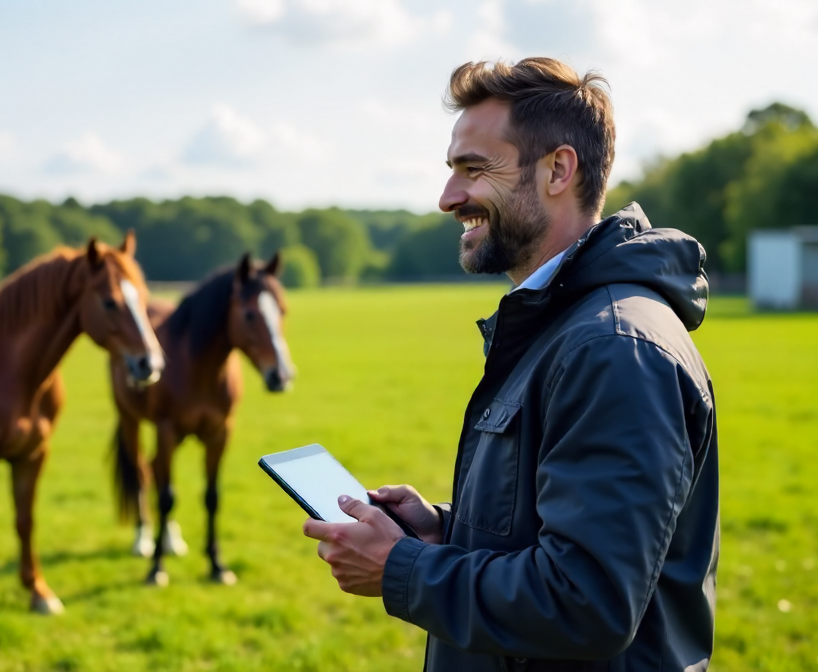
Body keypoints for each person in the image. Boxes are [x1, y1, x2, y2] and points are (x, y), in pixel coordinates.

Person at [302, 57, 719, 672]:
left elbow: (588, 601)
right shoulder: (563, 324)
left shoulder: (611, 346)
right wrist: (448, 531)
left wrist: (402, 567)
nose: (449, 198)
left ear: (558, 169)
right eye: (451, 170)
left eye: (475, 169)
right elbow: (560, 540)